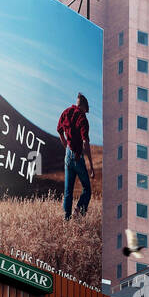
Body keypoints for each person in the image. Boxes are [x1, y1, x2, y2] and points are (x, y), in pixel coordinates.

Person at [57, 92, 94, 221]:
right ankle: (77, 212)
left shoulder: (66, 112)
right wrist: (92, 167)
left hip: (68, 155)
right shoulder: (83, 119)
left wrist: (66, 147)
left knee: (68, 192)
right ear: (84, 106)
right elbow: (86, 143)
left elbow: (59, 131)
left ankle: (66, 220)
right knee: (87, 190)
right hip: (78, 157)